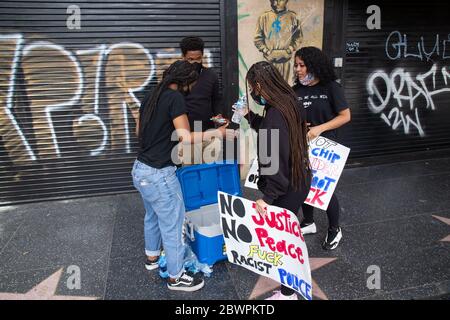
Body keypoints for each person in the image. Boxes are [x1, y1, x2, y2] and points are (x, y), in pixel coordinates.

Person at [132, 60, 228, 292]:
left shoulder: (151, 95)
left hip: (140, 169)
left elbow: (139, 131)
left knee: (152, 216)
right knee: (173, 225)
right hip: (159, 175)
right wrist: (218, 132)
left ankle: (152, 259)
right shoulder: (175, 98)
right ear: (187, 82)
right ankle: (176, 277)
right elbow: (185, 136)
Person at [238, 61, 311, 300]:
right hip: (299, 178)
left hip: (285, 186)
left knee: (283, 241)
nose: (252, 93)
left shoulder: (274, 115)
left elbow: (273, 161)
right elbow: (277, 133)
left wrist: (267, 198)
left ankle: (288, 294)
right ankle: (288, 288)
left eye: (252, 88)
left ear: (259, 85)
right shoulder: (289, 102)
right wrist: (250, 116)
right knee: (288, 236)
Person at [293, 46, 351, 250]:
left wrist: (320, 128)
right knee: (303, 185)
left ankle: (335, 228)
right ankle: (308, 222)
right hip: (302, 145)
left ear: (314, 65)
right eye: (296, 65)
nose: (298, 69)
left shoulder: (331, 88)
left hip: (327, 147)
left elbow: (345, 116)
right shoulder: (297, 90)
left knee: (324, 189)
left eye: (302, 65)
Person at [179, 36, 225, 164]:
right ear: (183, 57)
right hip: (188, 137)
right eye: (190, 59)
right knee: (190, 176)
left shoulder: (211, 75)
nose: (195, 62)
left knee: (210, 174)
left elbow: (216, 100)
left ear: (203, 56)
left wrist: (219, 118)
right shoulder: (177, 78)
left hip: (209, 134)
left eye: (198, 58)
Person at [254, 0, 303, 83]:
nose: (275, 3)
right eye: (273, 0)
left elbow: (298, 37)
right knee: (269, 88)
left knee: (283, 88)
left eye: (279, 0)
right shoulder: (264, 17)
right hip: (268, 61)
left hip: (285, 61)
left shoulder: (293, 16)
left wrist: (289, 49)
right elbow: (257, 38)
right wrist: (267, 51)